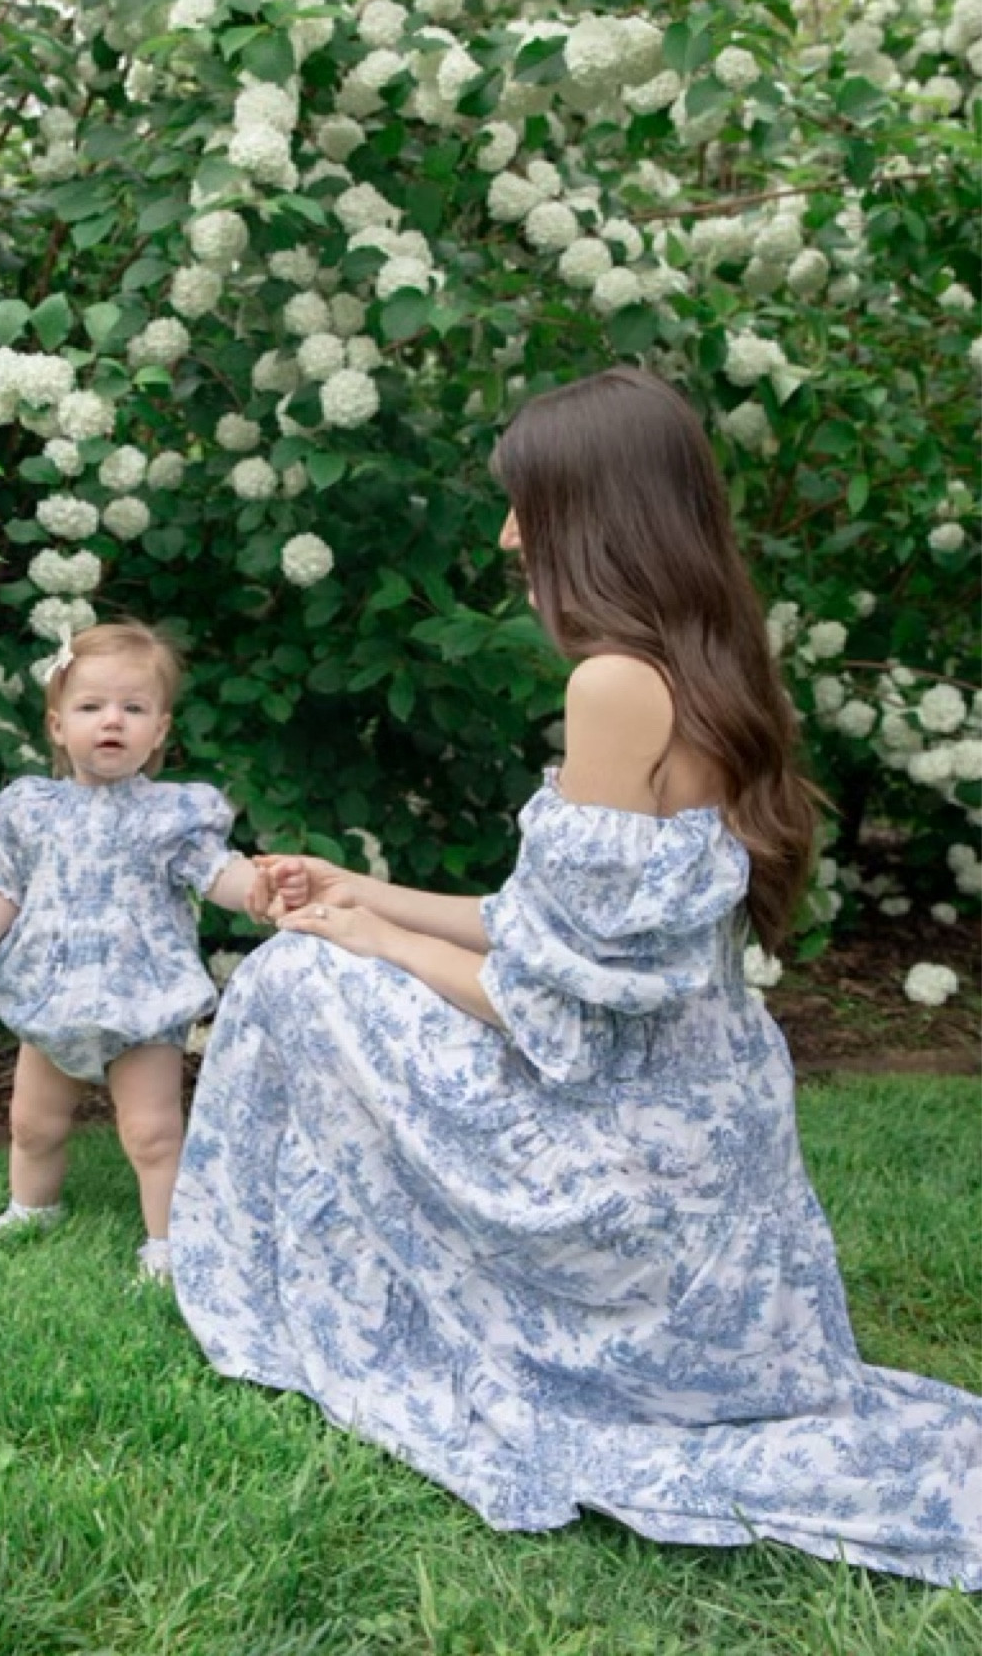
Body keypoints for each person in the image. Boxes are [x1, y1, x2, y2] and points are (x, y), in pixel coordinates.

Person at [170, 368, 982, 1587]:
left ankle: (301, 1308)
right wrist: (363, 893)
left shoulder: (614, 684)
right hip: (713, 1143)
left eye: (525, 505)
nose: (507, 535)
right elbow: (547, 930)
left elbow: (553, 1007)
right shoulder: (708, 660)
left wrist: (359, 943)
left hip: (631, 1159)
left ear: (597, 512)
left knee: (291, 985)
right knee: (314, 954)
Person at [0, 618, 261, 1280]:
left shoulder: (173, 812)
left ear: (159, 730)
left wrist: (262, 890)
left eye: (133, 708)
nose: (113, 720)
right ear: (57, 725)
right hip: (55, 991)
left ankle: (167, 1242)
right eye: (91, 706)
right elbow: (3, 888)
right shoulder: (31, 808)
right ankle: (32, 1206)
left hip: (143, 998)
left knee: (153, 1131)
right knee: (33, 1123)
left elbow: (218, 871)